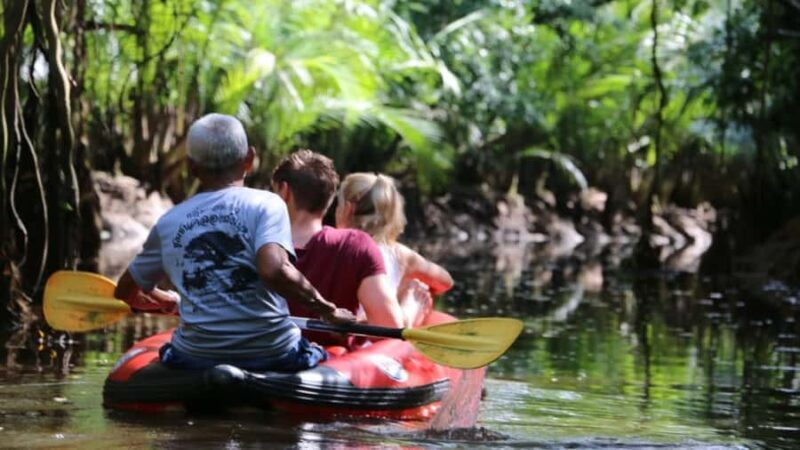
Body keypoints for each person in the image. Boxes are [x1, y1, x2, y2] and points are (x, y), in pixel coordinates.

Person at [114, 114, 354, 372]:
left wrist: (164, 301)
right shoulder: (267, 204)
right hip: (274, 354)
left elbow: (126, 291)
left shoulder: (168, 222)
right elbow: (273, 269)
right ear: (249, 159)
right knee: (327, 355)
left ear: (191, 167)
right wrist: (328, 310)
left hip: (194, 357)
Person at [270, 150, 411, 346]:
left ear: (284, 191)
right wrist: (411, 305)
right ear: (329, 197)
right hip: (329, 366)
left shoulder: (254, 243)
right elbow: (389, 328)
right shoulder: (356, 245)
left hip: (260, 358)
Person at [336, 172, 454, 326]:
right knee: (413, 294)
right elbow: (445, 282)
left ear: (347, 209)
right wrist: (402, 289)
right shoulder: (400, 255)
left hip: (350, 335)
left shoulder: (329, 244)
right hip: (377, 334)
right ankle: (409, 309)